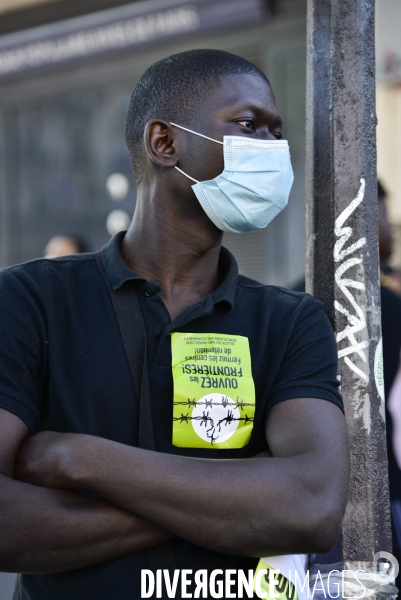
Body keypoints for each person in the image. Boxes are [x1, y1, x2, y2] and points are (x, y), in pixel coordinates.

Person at [0, 50, 349, 600]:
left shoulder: (289, 321)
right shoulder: (30, 300)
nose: (272, 148)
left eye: (276, 131)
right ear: (165, 143)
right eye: (248, 124)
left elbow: (311, 508)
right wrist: (240, 496)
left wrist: (83, 459)